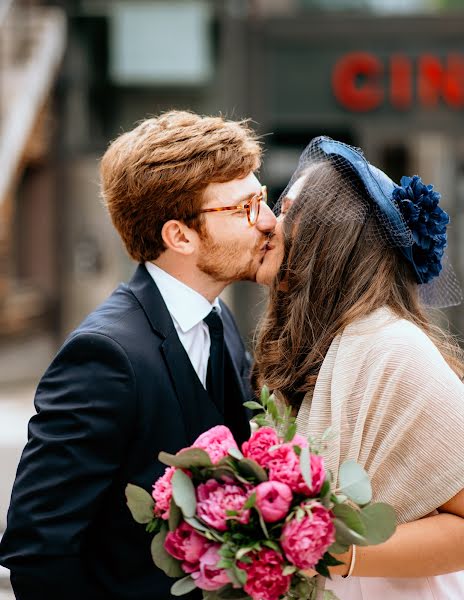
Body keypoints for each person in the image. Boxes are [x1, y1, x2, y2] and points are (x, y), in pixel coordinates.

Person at [0, 111, 276, 600]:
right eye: (244, 208)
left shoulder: (220, 321)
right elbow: (37, 548)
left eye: (263, 200)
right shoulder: (104, 356)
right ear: (180, 236)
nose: (268, 222)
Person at [254, 136, 464, 598]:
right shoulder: (322, 347)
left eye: (286, 208)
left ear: (327, 235)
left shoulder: (392, 349)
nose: (268, 221)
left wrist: (331, 550)